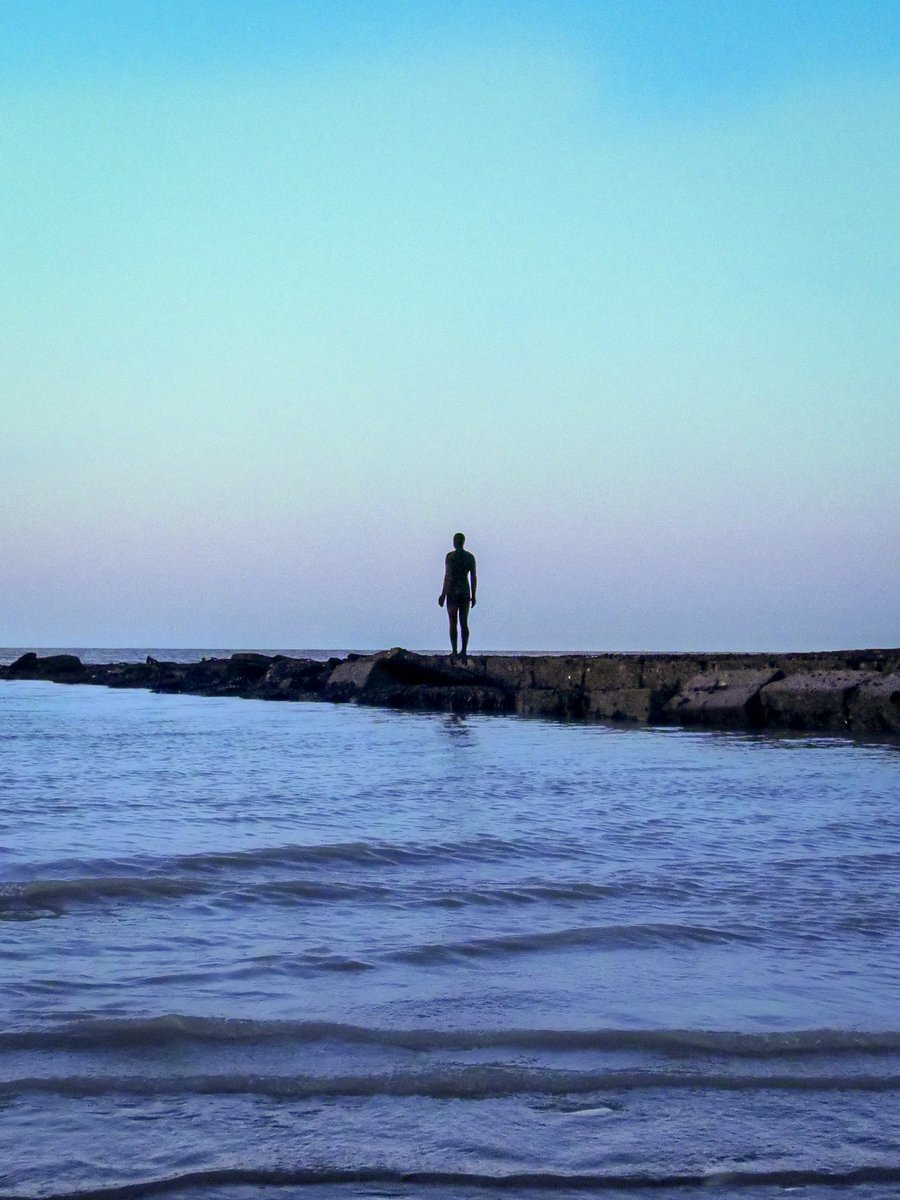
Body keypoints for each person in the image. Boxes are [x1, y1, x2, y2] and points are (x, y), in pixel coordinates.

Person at [438, 532, 477, 663]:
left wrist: (443, 594)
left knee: (453, 623)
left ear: (455, 542)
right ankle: (463, 651)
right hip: (465, 592)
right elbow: (473, 578)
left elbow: (448, 576)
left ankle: (455, 651)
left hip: (453, 592)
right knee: (464, 622)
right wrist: (473, 594)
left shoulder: (450, 557)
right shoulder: (470, 557)